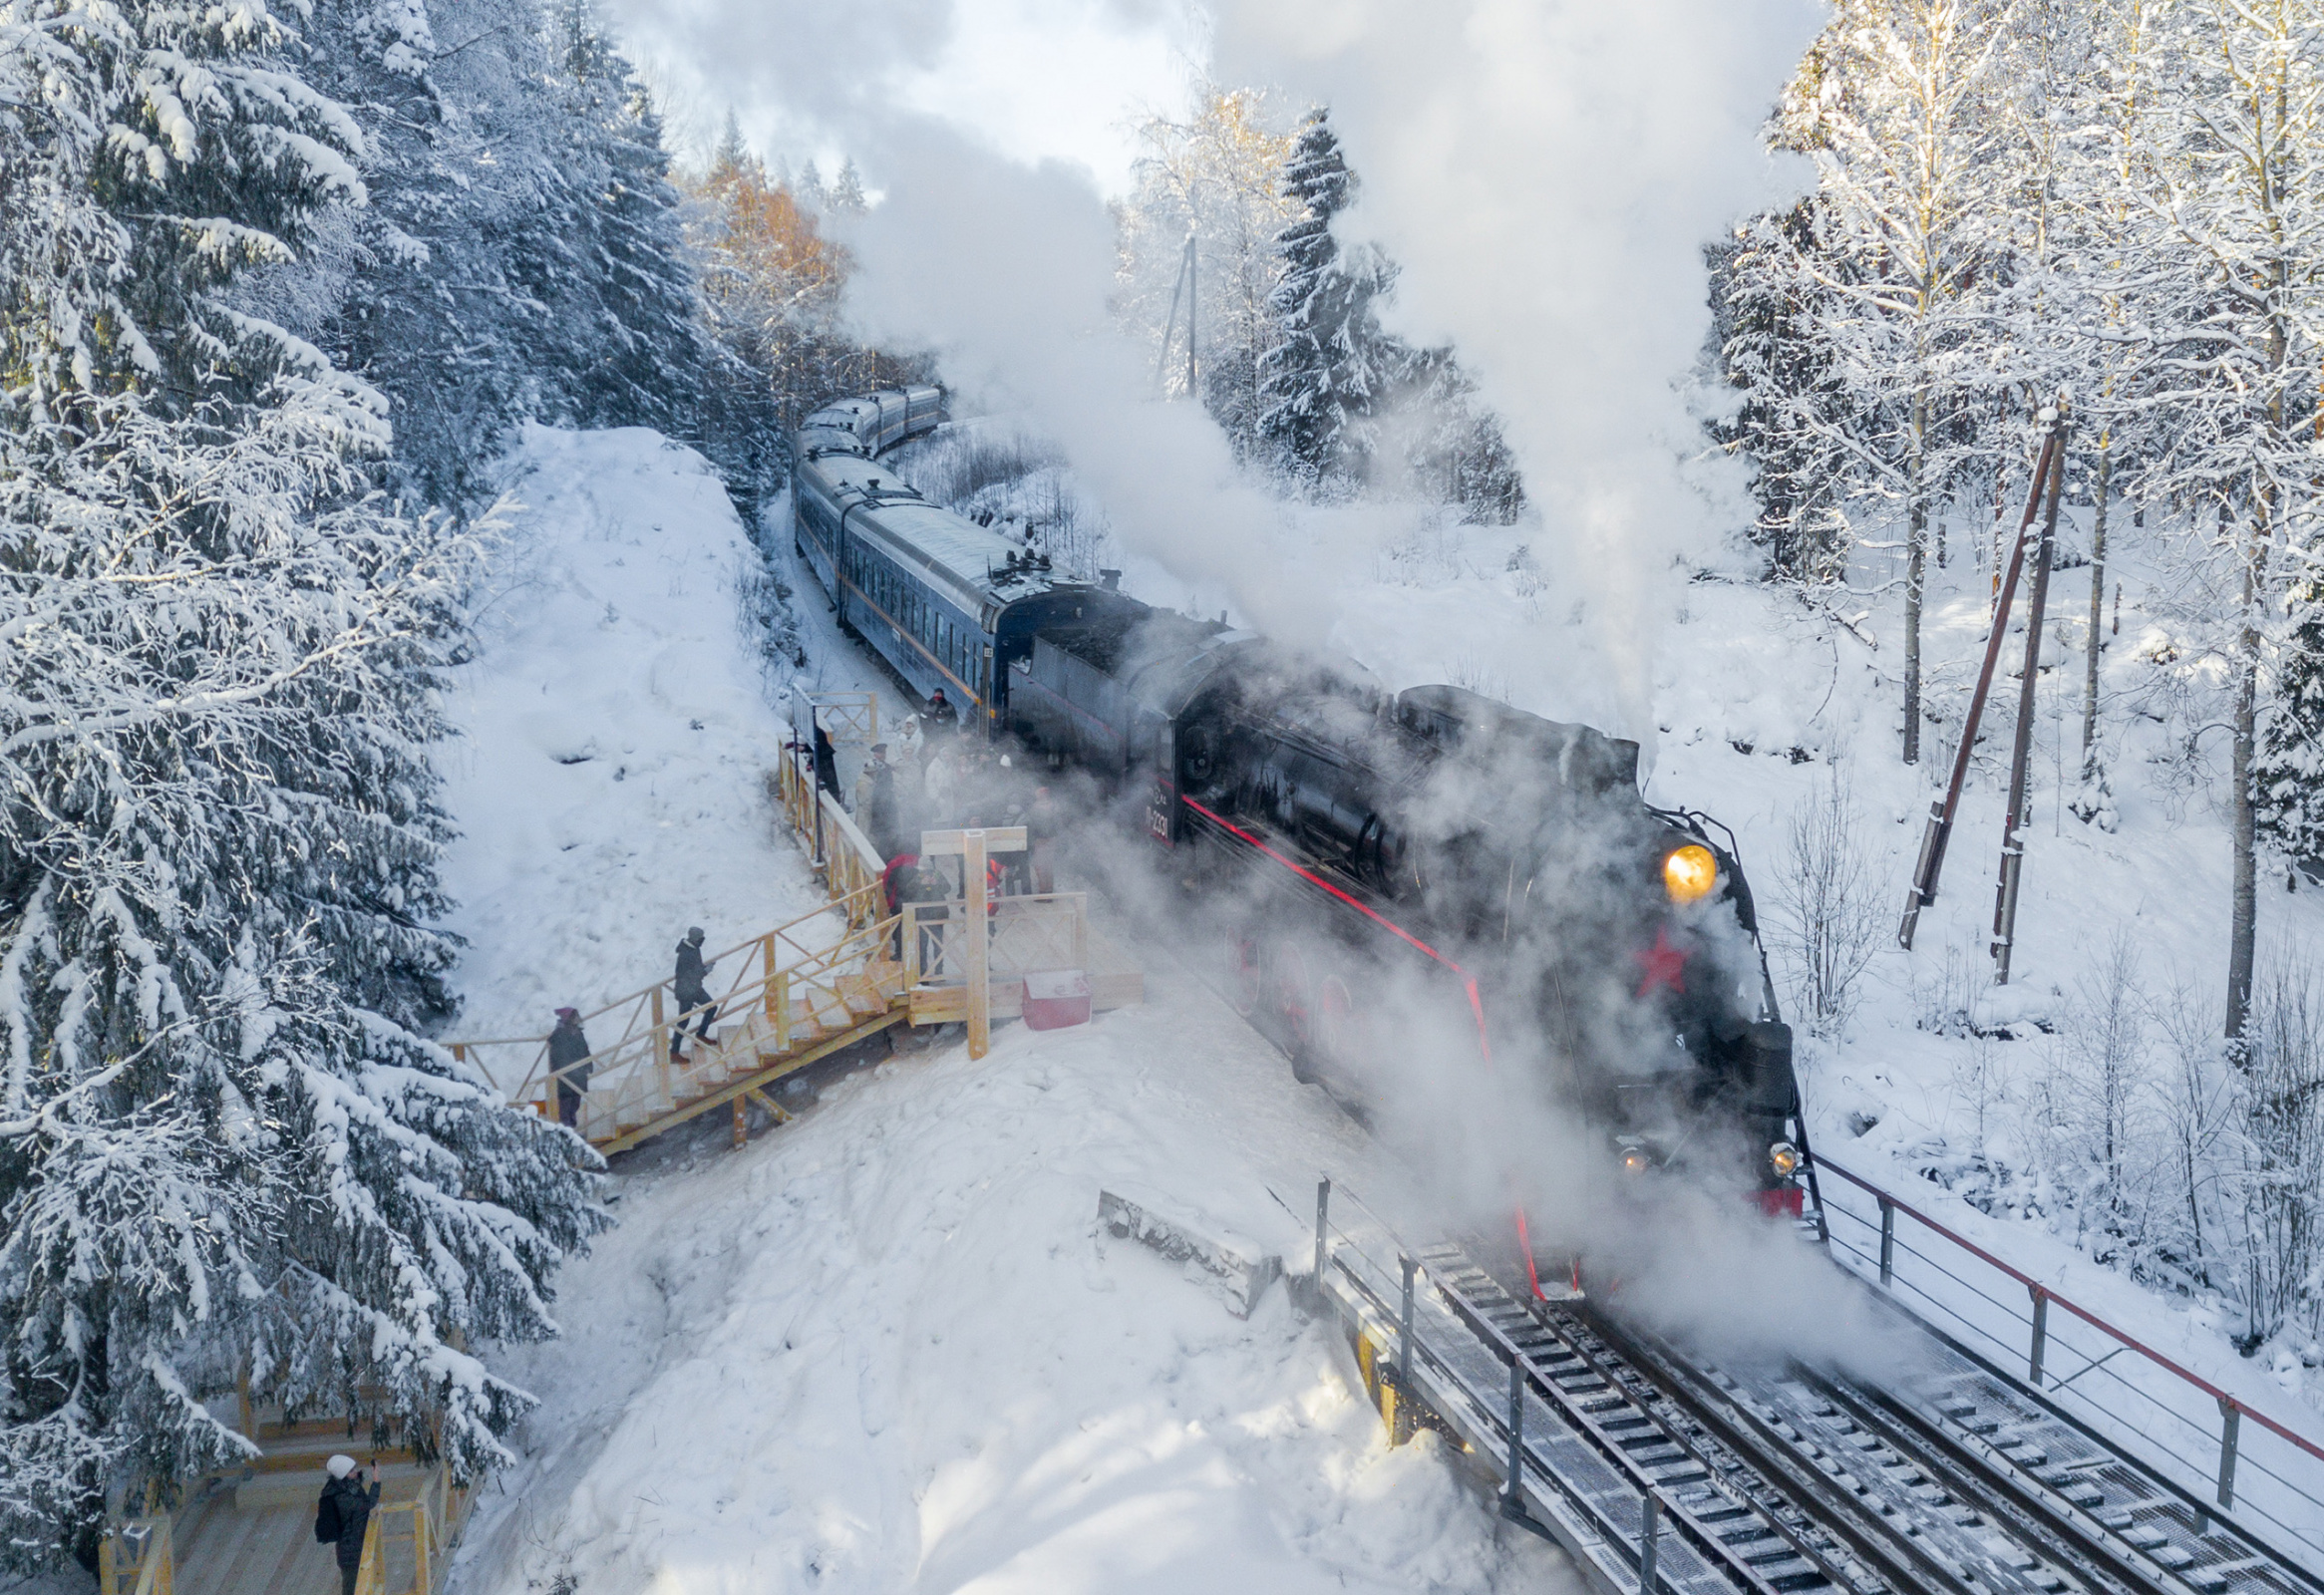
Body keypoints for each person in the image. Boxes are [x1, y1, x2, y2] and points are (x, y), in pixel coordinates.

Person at [315, 1454, 380, 1595]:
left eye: (354, 1468)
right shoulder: (342, 1497)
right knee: (351, 1588)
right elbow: (367, 1505)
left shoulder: (351, 1488)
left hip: (354, 1546)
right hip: (350, 1550)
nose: (356, 1472)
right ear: (343, 1475)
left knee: (360, 1584)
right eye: (351, 1471)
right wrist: (376, 1481)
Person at [671, 927, 715, 1063]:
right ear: (696, 938)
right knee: (683, 1022)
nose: (703, 940)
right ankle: (674, 1052)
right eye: (702, 938)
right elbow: (692, 974)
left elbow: (694, 969)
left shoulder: (692, 949)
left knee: (711, 1007)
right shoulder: (687, 954)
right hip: (686, 991)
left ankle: (700, 1035)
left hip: (693, 989)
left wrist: (702, 968)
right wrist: (706, 970)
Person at [547, 1007, 591, 1129]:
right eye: (573, 1017)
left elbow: (585, 1049)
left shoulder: (578, 1033)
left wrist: (588, 1064)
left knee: (575, 1102)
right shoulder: (559, 1035)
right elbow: (557, 1056)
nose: (576, 1020)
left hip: (578, 1073)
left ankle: (571, 1125)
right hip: (566, 1075)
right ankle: (566, 1129)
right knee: (566, 1104)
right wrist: (563, 1070)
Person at [854, 743, 899, 857]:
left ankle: (885, 853)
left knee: (887, 830)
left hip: (887, 804)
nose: (882, 755)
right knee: (871, 831)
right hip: (874, 804)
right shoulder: (869, 766)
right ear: (875, 754)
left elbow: (890, 784)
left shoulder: (887, 767)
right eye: (879, 753)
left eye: (883, 753)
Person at [813, 722, 839, 798]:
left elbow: (818, 746)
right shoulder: (816, 731)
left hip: (824, 758)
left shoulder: (817, 732)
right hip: (823, 757)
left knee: (829, 780)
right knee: (829, 780)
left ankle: (834, 798)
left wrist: (804, 748)